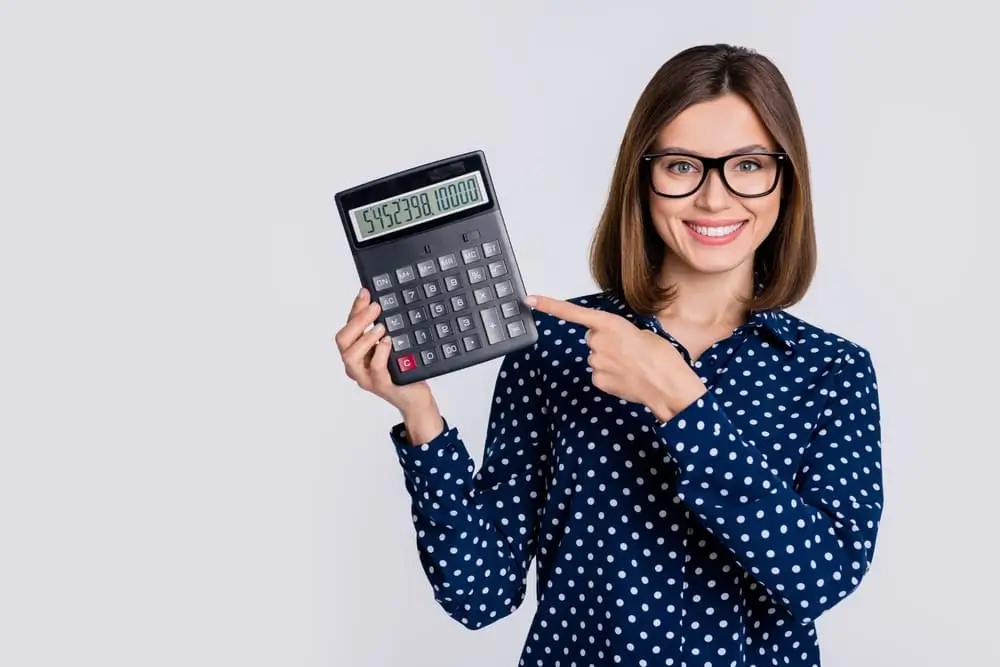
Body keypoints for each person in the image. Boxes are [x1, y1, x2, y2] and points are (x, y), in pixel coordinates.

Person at [335, 43, 883, 667]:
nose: (714, 198)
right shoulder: (554, 348)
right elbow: (479, 594)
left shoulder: (832, 372)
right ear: (642, 177)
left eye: (749, 165)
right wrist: (419, 413)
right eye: (682, 166)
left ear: (784, 179)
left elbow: (819, 579)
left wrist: (680, 401)